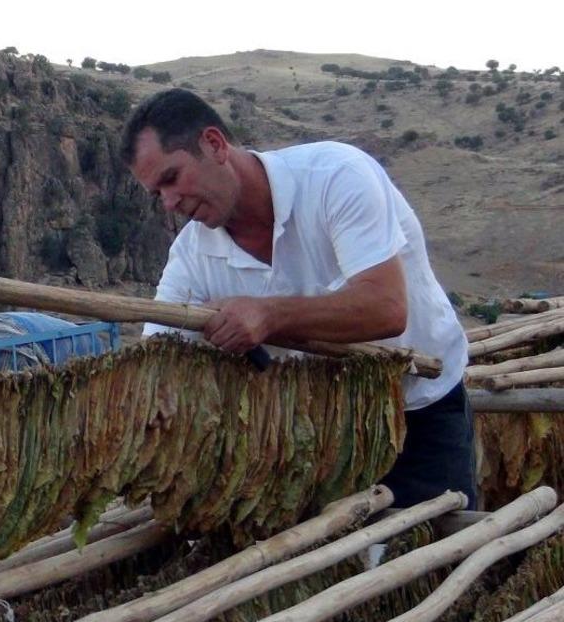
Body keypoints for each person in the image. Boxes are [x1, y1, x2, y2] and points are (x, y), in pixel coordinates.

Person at [119, 88, 475, 510]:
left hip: (418, 408)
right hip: (311, 429)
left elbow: (386, 308)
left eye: (171, 178)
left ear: (213, 145)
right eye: (156, 194)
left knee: (434, 553)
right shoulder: (191, 258)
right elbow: (155, 359)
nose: (169, 203)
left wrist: (267, 315)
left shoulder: (336, 177)